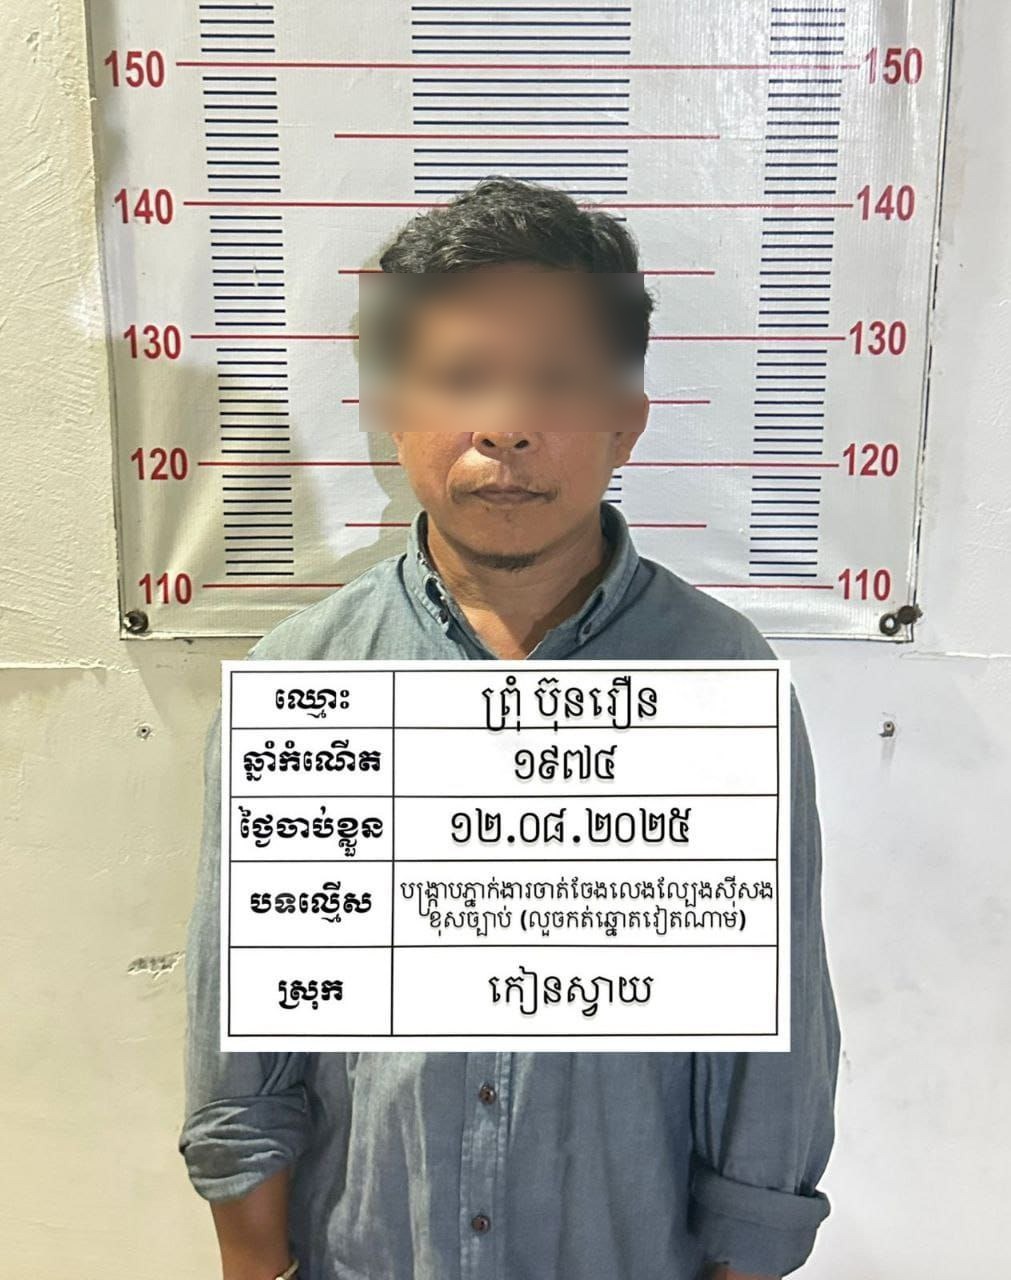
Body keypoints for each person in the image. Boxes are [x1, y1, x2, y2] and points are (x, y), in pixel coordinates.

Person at [178, 177, 841, 1280]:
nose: (505, 425)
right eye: (460, 378)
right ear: (395, 408)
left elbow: (773, 1056)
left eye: (556, 380)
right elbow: (242, 1043)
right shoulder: (308, 675)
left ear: (626, 419)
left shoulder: (719, 677)